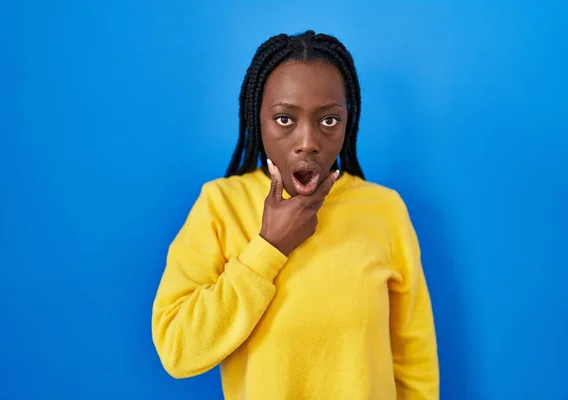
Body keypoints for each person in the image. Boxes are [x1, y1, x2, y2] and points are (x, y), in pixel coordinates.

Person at [151, 30, 439, 399]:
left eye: (329, 120)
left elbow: (414, 360)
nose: (308, 141)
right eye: (285, 119)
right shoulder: (220, 206)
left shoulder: (384, 210)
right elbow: (178, 349)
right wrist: (268, 248)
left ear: (349, 121)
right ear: (258, 119)